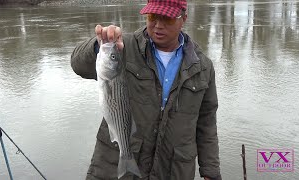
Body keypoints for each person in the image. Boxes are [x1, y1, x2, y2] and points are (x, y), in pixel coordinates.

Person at [71, 0, 221, 179]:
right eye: (152, 17)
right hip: (113, 171)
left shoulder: (202, 67)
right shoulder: (122, 47)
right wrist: (99, 46)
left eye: (168, 18)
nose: (158, 25)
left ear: (184, 18)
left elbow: (207, 123)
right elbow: (78, 65)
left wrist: (210, 172)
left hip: (173, 171)